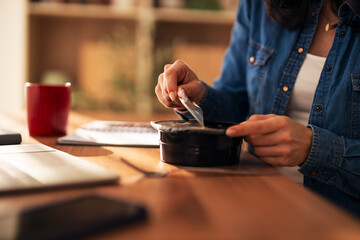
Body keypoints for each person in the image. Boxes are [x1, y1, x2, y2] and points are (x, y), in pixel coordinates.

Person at [155, 0, 360, 217]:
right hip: (257, 203)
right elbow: (235, 106)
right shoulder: (259, 5)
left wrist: (314, 149)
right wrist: (198, 97)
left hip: (341, 222)